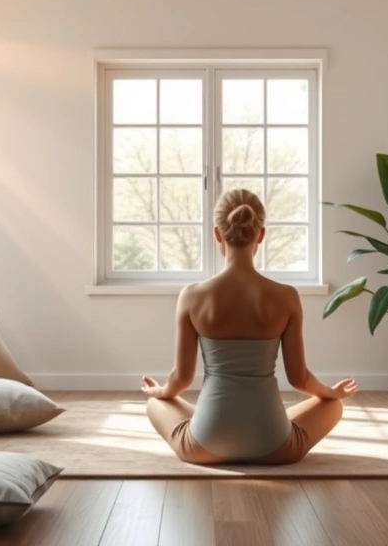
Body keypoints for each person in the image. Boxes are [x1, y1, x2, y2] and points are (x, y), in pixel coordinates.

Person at [141, 189, 358, 465]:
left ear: (217, 234)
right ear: (261, 234)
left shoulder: (192, 295)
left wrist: (158, 391)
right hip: (275, 447)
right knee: (332, 406)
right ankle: (255, 422)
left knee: (156, 404)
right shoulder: (286, 296)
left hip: (204, 445)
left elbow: (181, 380)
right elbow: (299, 379)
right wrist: (331, 392)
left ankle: (213, 417)